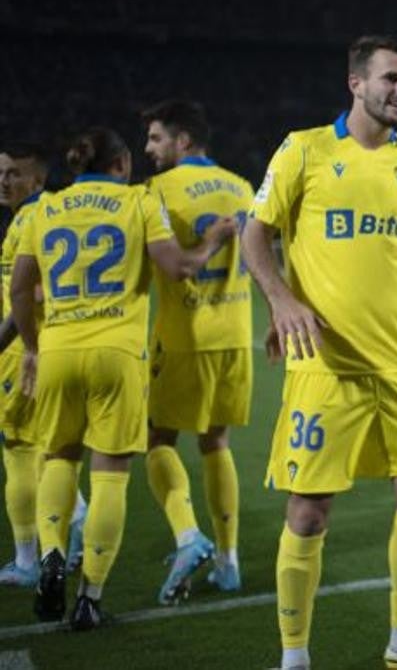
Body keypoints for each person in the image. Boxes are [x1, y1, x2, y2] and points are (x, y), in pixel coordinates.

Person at [240, 35, 397, 670]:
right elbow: (255, 236)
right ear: (356, 83)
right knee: (311, 510)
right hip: (327, 368)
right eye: (391, 78)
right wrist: (281, 300)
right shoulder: (305, 150)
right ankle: (294, 656)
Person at [12, 127, 235, 629]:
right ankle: (89, 597)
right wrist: (213, 242)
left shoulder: (45, 208)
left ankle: (50, 553)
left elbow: (22, 290)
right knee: (110, 472)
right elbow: (178, 267)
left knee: (58, 458)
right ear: (122, 164)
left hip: (58, 351)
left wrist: (30, 346)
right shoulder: (137, 201)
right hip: (117, 354)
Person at [140, 99, 254, 603]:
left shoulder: (157, 190)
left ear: (183, 140)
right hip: (235, 333)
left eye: (156, 138)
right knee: (217, 442)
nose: (148, 148)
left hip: (184, 336)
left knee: (158, 439)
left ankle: (189, 537)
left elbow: (166, 264)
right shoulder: (243, 187)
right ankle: (229, 562)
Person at [0, 143, 89, 587]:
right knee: (45, 450)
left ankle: (31, 557)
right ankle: (69, 530)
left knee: (21, 450)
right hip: (36, 349)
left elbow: (33, 295)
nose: (3, 180)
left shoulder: (36, 216)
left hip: (26, 353)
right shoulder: (27, 216)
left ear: (36, 179)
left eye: (13, 173)